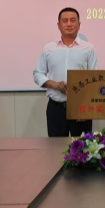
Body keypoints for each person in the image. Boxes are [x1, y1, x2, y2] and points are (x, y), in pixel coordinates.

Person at [34, 7, 98, 137]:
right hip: (56, 108)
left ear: (79, 25)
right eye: (65, 21)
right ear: (58, 25)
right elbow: (38, 74)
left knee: (83, 147)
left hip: (80, 107)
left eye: (73, 20)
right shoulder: (48, 48)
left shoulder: (88, 48)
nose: (69, 24)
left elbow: (94, 78)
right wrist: (54, 84)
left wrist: (86, 107)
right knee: (55, 147)